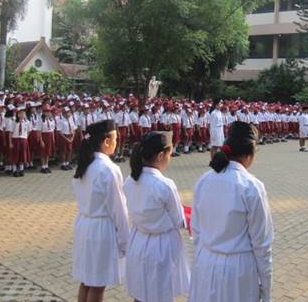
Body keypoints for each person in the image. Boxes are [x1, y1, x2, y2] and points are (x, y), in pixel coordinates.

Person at [189, 121, 273, 302]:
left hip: (205, 261)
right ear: (250, 153)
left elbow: (196, 231)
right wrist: (266, 290)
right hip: (237, 270)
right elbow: (262, 245)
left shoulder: (204, 180)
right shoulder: (251, 187)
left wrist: (202, 259)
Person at [124, 131, 190, 302]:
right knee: (161, 294)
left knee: (141, 293)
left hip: (138, 242)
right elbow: (179, 221)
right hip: (161, 247)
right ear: (161, 155)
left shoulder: (130, 180)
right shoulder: (165, 185)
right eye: (170, 153)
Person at [72, 120, 129, 302]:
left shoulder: (85, 165)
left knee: (86, 281)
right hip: (101, 230)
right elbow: (118, 210)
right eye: (115, 138)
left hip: (84, 225)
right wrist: (125, 243)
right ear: (106, 142)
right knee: (97, 285)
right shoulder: (108, 169)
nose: (117, 142)